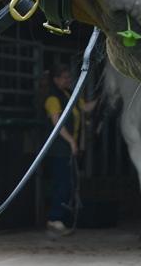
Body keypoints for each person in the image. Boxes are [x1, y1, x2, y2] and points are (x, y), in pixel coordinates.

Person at [42, 63, 96, 237]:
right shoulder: (52, 98)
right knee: (62, 183)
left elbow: (85, 108)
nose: (68, 80)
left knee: (69, 184)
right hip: (59, 149)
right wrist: (72, 141)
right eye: (65, 78)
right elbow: (57, 124)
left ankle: (61, 219)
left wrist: (103, 96)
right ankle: (54, 219)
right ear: (56, 80)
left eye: (68, 77)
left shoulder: (69, 95)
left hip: (68, 149)